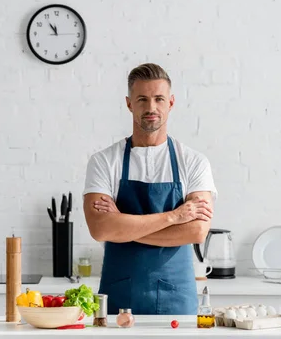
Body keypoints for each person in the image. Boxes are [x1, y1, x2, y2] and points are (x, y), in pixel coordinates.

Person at [83, 63, 217, 315]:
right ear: (129, 103)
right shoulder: (104, 162)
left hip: (177, 298)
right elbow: (100, 228)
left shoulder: (194, 162)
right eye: (142, 99)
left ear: (171, 102)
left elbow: (197, 231)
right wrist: (174, 217)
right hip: (119, 298)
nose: (151, 107)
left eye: (159, 99)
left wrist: (122, 228)